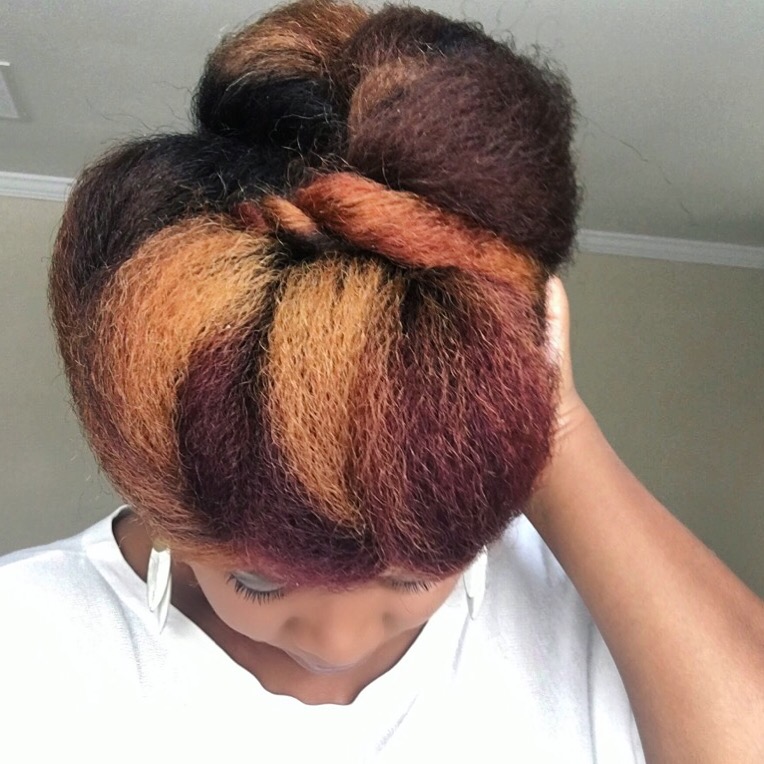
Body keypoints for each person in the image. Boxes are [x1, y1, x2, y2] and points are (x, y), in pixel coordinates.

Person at [1, 1, 762, 760]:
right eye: (259, 580)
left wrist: (546, 420)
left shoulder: (601, 627)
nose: (338, 642)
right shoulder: (29, 643)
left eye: (412, 575)